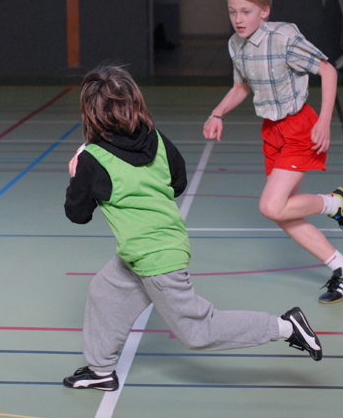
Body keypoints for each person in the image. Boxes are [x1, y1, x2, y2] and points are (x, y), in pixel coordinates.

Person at [62, 65, 322, 391]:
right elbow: (178, 183)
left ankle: (285, 326)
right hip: (151, 248)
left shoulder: (91, 159)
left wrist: (77, 176)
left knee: (198, 331)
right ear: (134, 103)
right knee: (105, 291)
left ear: (91, 113)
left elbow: (78, 214)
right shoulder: (156, 139)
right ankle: (100, 370)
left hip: (156, 259)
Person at [203, 0, 343, 305]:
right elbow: (241, 87)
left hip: (300, 127)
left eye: (246, 11)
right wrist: (217, 113)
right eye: (232, 11)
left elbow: (328, 71)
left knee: (271, 206)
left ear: (264, 11)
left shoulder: (283, 37)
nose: (238, 19)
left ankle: (337, 203)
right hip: (272, 130)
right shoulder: (236, 45)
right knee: (282, 214)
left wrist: (324, 121)